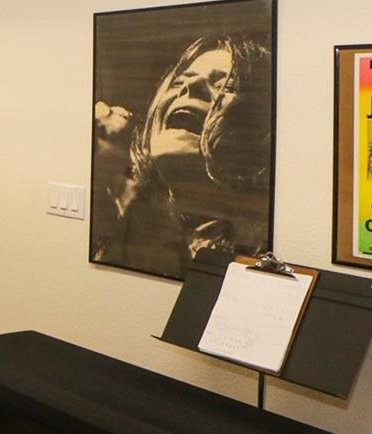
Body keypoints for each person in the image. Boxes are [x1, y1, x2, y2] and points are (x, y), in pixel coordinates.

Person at [91, 35, 273, 278]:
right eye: (179, 82)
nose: (191, 85)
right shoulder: (129, 236)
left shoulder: (265, 251)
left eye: (226, 85)